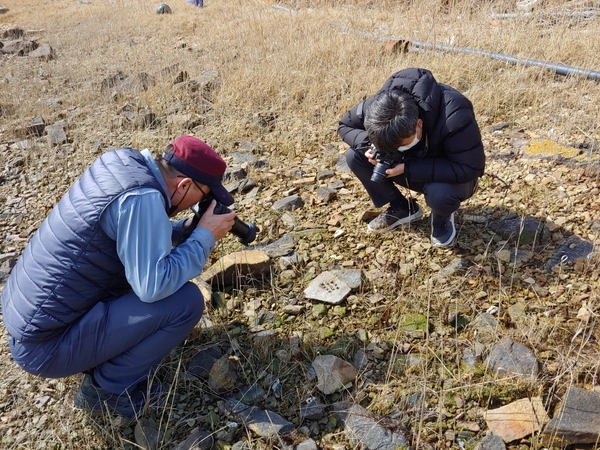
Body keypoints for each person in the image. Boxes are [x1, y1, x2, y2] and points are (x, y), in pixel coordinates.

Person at [0, 135, 236, 418]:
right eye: (205, 194)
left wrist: (181, 229)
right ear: (184, 185)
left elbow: (119, 232)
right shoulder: (142, 199)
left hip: (29, 319)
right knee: (186, 302)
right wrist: (203, 238)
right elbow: (153, 286)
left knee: (140, 281)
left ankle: (99, 354)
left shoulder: (124, 163)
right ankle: (107, 391)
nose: (203, 202)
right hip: (47, 347)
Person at [339, 68, 485, 247]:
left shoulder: (453, 113)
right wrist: (368, 146)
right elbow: (345, 125)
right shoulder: (378, 106)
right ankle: (402, 207)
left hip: (450, 175)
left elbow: (471, 168)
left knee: (440, 195)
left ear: (419, 124)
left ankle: (441, 217)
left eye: (401, 144)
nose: (396, 150)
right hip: (408, 165)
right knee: (355, 156)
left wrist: (407, 168)